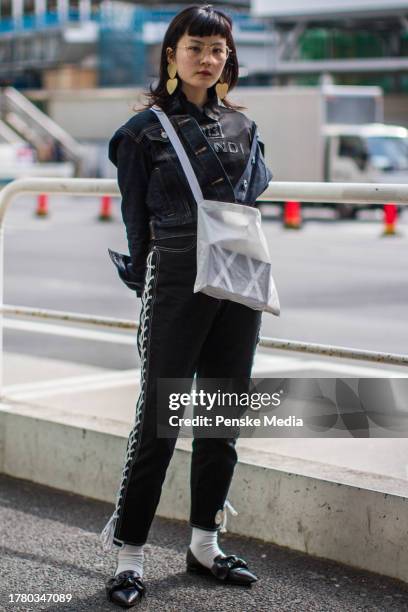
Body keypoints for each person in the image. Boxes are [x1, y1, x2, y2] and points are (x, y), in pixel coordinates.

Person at [101, 4, 273, 608]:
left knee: (223, 416)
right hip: (174, 278)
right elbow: (135, 223)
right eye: (196, 47)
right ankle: (128, 554)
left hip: (239, 279)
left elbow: (251, 200)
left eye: (219, 50)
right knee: (160, 420)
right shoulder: (143, 131)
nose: (208, 59)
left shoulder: (245, 129)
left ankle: (205, 544)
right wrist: (148, 283)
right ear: (171, 54)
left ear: (230, 59)